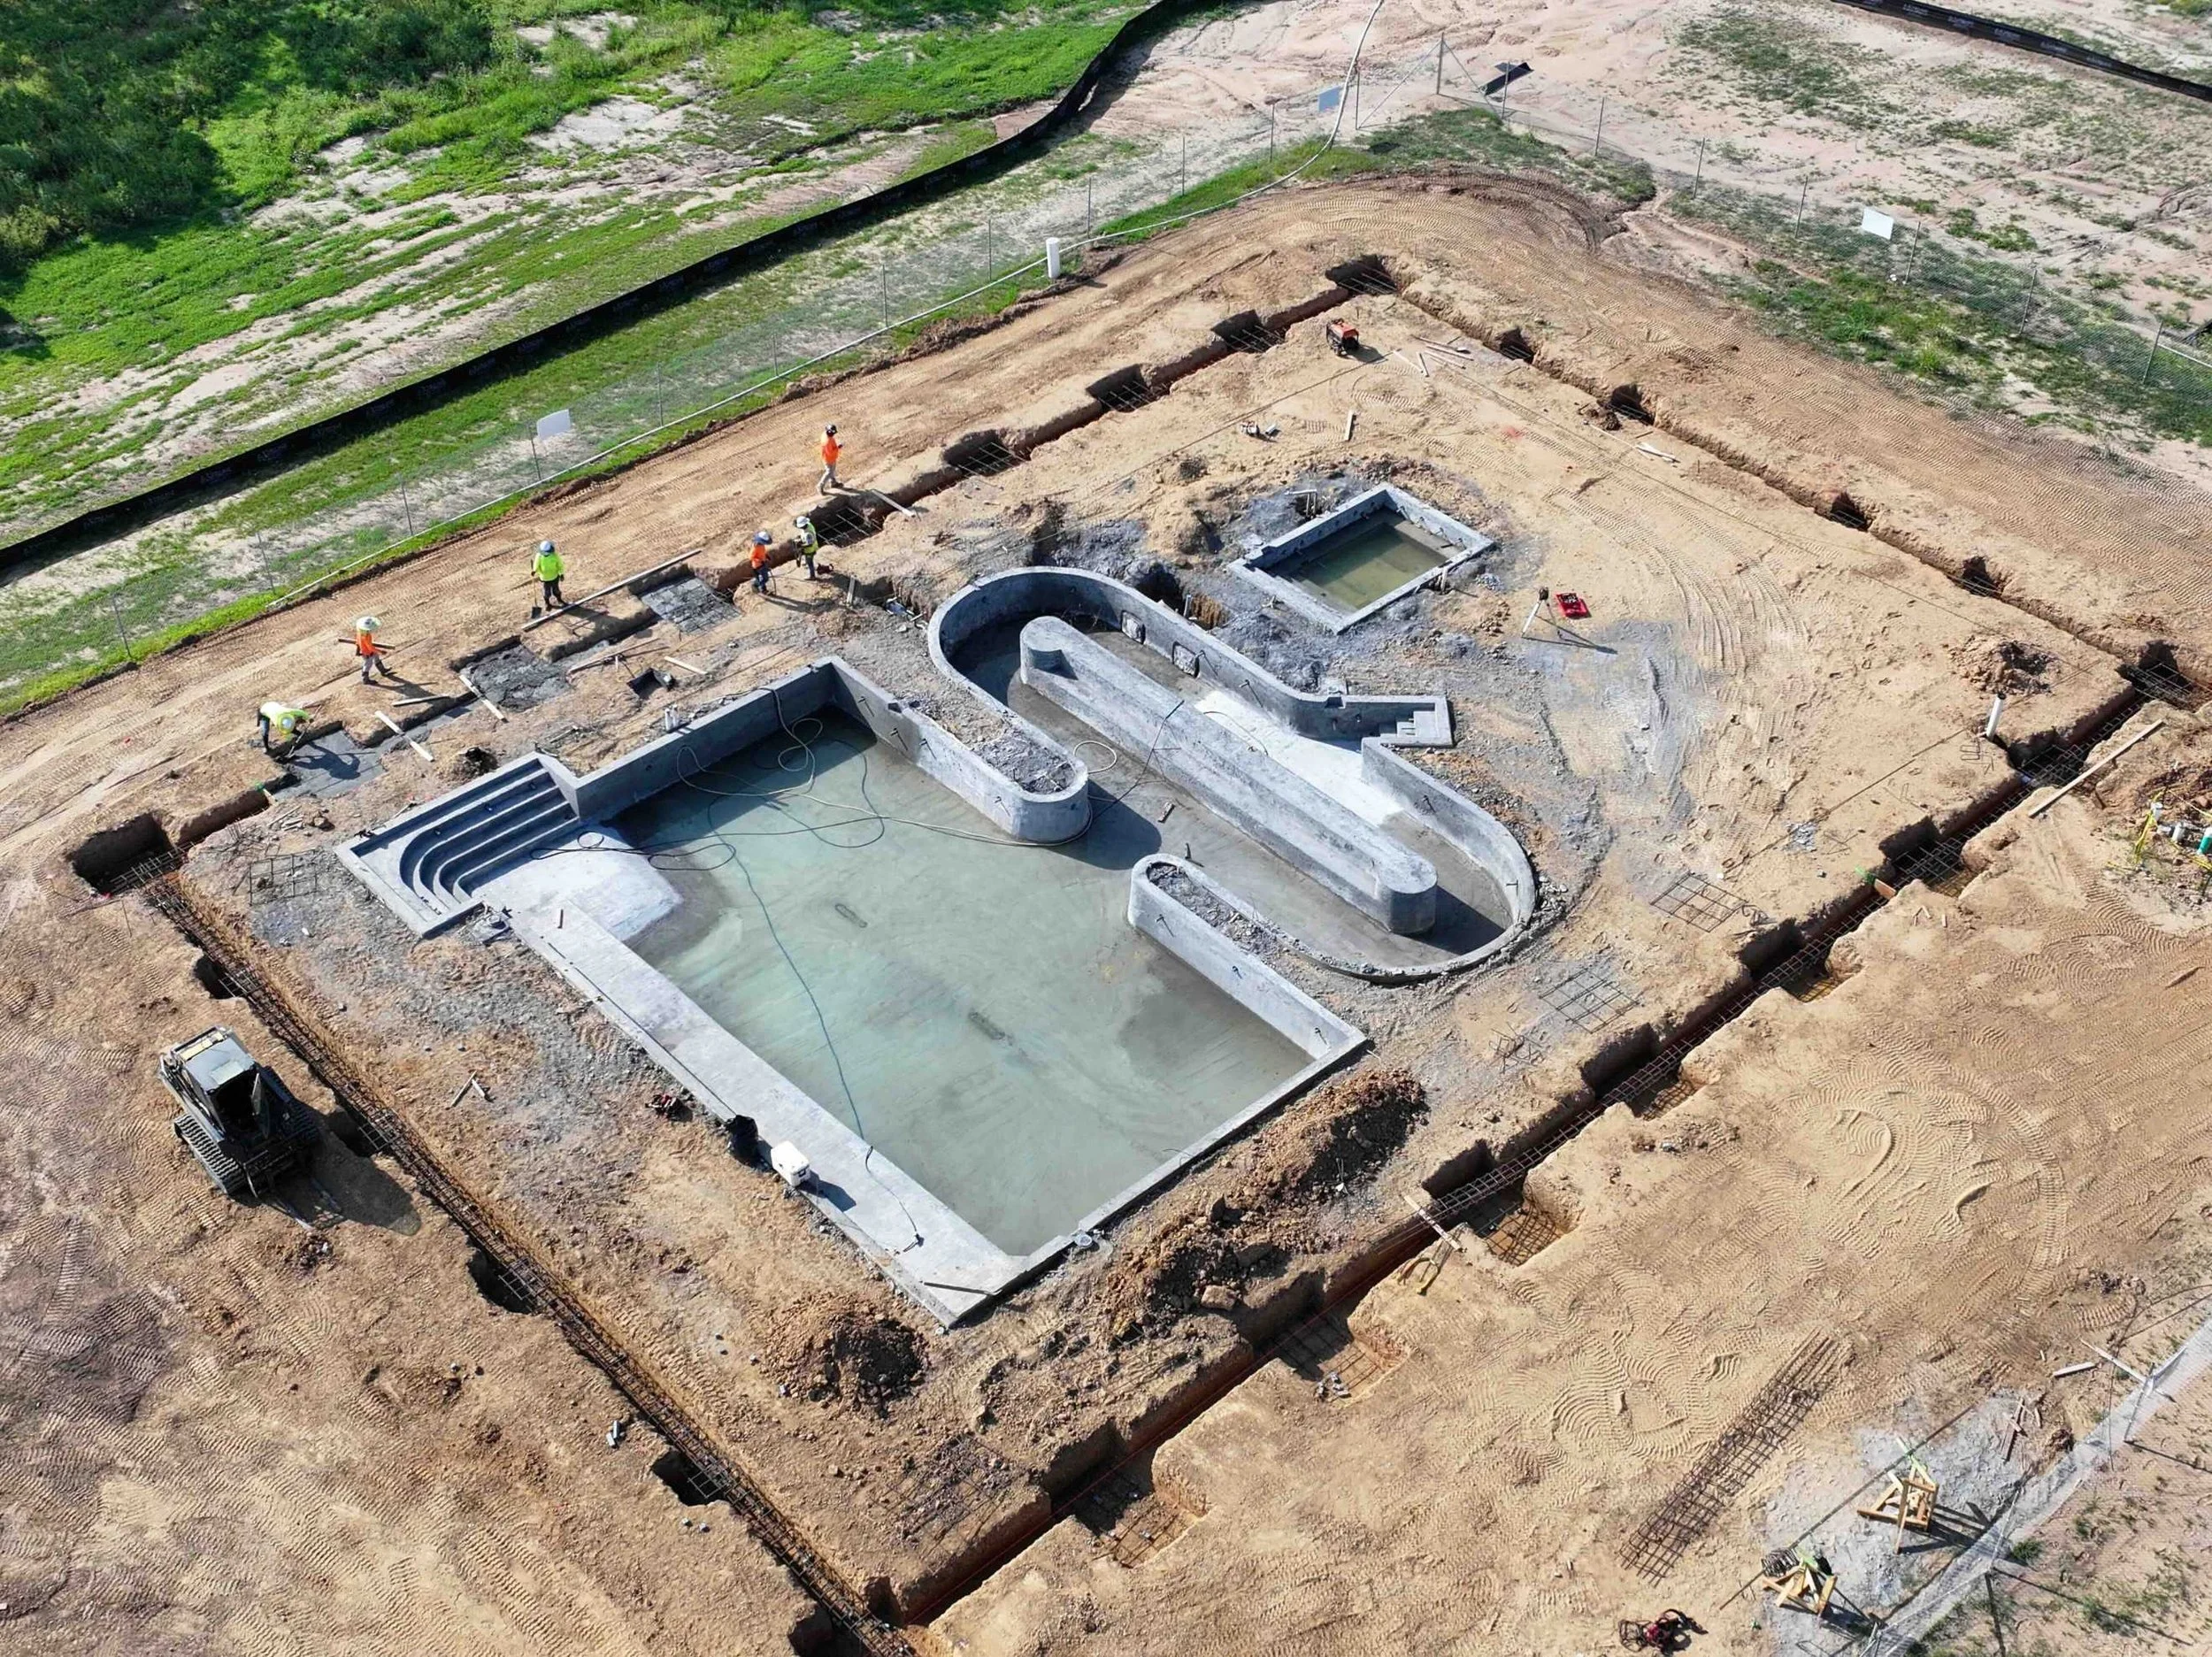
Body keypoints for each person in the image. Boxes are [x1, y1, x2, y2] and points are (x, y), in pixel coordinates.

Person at [353, 616, 396, 683]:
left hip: (367, 651)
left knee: (376, 659)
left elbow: (357, 643)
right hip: (368, 653)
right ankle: (365, 679)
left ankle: (383, 670)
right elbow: (370, 647)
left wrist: (358, 651)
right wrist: (380, 651)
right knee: (368, 665)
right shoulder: (367, 637)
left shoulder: (359, 633)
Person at [533, 539, 565, 609]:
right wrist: (534, 570)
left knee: (556, 590)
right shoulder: (539, 556)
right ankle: (547, 604)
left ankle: (559, 600)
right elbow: (536, 564)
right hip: (545, 578)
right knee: (547, 592)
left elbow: (560, 565)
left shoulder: (555, 556)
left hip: (555, 577)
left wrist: (561, 574)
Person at [793, 513, 819, 579]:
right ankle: (807, 562)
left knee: (810, 563)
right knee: (808, 560)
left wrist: (801, 546)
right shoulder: (809, 525)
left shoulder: (808, 534)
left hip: (810, 550)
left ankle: (812, 576)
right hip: (813, 545)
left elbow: (809, 544)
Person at [818, 424, 841, 494]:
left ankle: (833, 482)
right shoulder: (827, 441)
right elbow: (830, 453)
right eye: (832, 433)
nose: (833, 434)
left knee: (832, 470)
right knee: (829, 472)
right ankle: (820, 485)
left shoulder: (825, 434)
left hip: (830, 457)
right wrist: (838, 447)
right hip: (828, 458)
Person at [749, 529, 772, 595]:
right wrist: (759, 561)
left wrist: (766, 556)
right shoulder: (755, 547)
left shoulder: (762, 545)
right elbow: (751, 557)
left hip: (762, 563)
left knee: (761, 578)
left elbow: (762, 552)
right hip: (758, 566)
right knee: (765, 578)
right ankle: (755, 585)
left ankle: (763, 590)